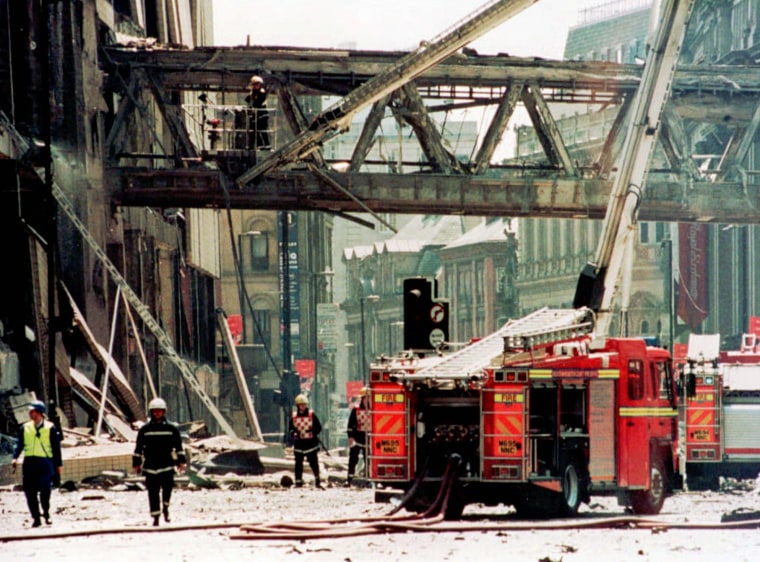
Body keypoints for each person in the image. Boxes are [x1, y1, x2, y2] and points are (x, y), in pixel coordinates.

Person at [133, 397, 186, 526]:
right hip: (151, 465)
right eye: (155, 411)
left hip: (166, 464)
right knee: (153, 492)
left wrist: (181, 462)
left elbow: (178, 447)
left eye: (159, 411)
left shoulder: (171, 429)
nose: (157, 413)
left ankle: (166, 508)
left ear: (164, 412)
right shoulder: (145, 430)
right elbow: (138, 448)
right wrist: (136, 463)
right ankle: (156, 516)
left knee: (167, 489)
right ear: (151, 412)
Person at [12, 400, 63, 528]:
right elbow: (19, 444)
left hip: (45, 462)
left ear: (39, 413)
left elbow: (56, 448)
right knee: (30, 492)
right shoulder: (25, 427)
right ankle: (36, 518)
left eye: (32, 411)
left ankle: (46, 512)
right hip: (29, 463)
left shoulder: (50, 427)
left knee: (45, 491)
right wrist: (15, 457)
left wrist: (58, 465)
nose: (30, 413)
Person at [289, 393, 322, 488]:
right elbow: (291, 429)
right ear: (298, 405)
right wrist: (294, 433)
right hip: (299, 443)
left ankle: (317, 480)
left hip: (310, 443)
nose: (303, 406)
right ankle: (298, 481)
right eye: (301, 405)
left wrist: (312, 432)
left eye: (304, 404)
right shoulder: (294, 417)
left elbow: (318, 427)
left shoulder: (312, 415)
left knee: (314, 462)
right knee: (298, 463)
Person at [346, 387, 370, 486]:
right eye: (366, 398)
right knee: (353, 459)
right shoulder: (356, 410)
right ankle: (349, 479)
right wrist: (350, 437)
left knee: (368, 460)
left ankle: (368, 479)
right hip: (357, 438)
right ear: (362, 399)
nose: (368, 401)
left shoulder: (374, 410)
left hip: (369, 439)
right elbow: (350, 425)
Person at [244, 74, 270, 149]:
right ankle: (259, 145)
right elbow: (247, 99)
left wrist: (253, 103)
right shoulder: (253, 93)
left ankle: (267, 145)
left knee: (262, 130)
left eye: (257, 84)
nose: (256, 86)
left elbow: (258, 102)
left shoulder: (261, 92)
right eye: (254, 84)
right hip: (255, 115)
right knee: (254, 131)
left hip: (262, 115)